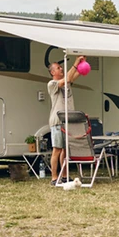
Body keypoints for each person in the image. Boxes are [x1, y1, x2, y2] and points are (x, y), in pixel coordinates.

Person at [47, 55, 87, 186]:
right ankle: (54, 177)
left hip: (68, 121)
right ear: (53, 72)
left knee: (65, 151)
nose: (61, 69)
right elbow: (67, 79)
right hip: (58, 121)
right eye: (58, 68)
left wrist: (82, 64)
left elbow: (73, 76)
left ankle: (64, 176)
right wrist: (75, 63)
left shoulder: (67, 82)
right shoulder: (52, 84)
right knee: (57, 150)